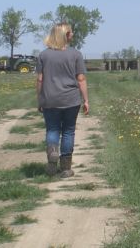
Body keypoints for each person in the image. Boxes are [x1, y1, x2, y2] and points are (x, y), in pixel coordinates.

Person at [36, 23, 89, 177]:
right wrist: (86, 100)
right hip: (71, 100)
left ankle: (52, 154)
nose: (73, 34)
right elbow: (81, 79)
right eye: (71, 32)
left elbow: (40, 80)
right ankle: (66, 168)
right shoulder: (76, 54)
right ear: (66, 35)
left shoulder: (43, 55)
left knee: (52, 129)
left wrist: (40, 99)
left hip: (50, 99)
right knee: (68, 131)